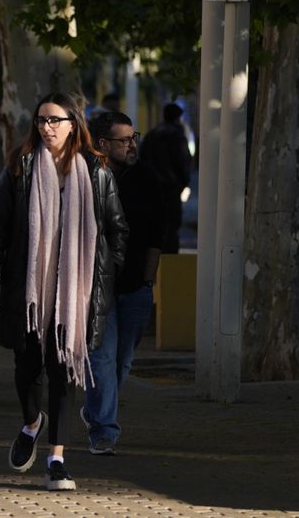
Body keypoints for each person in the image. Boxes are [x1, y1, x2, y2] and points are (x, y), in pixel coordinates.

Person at [0, 93, 128, 492]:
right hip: (28, 290)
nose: (46, 128)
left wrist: (101, 277)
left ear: (73, 124)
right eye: (41, 120)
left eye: (54, 121)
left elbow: (117, 231)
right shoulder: (20, 166)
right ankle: (31, 422)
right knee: (27, 369)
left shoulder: (96, 171)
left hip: (75, 293)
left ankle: (57, 458)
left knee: (63, 371)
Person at [83, 111, 164, 455]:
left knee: (122, 362)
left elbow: (157, 235)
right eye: (124, 140)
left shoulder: (147, 177)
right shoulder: (86, 179)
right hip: (97, 287)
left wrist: (148, 282)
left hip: (134, 287)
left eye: (135, 137)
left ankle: (94, 409)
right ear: (103, 144)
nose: (132, 145)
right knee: (101, 359)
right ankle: (104, 429)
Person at [139, 103, 192, 253]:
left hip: (153, 186)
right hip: (171, 186)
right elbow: (183, 161)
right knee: (171, 225)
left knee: (154, 223)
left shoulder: (152, 134)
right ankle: (169, 257)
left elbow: (142, 159)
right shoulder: (177, 135)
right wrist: (184, 182)